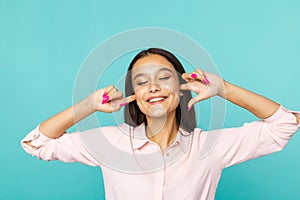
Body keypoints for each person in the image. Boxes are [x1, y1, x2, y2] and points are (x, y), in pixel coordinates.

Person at [21, 48, 300, 200]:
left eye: (164, 77)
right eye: (141, 82)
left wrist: (225, 88)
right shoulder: (111, 143)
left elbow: (285, 124)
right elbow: (36, 143)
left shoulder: (209, 147)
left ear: (181, 87)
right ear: (135, 97)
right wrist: (89, 105)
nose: (153, 86)